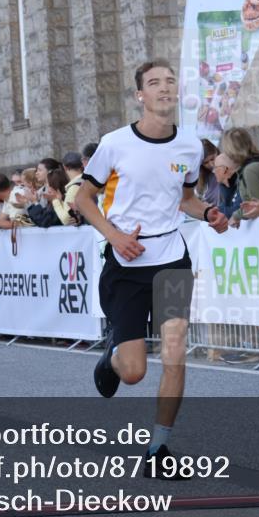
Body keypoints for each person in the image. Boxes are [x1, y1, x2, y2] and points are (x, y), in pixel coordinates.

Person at [75, 59, 228, 477]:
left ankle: (159, 449)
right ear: (140, 95)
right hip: (127, 265)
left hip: (172, 261)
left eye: (170, 82)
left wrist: (209, 213)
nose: (164, 88)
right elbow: (83, 199)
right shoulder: (115, 143)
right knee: (134, 372)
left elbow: (185, 199)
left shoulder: (190, 146)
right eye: (154, 83)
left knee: (175, 354)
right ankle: (112, 358)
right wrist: (114, 237)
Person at [222, 127, 259, 224]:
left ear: (231, 151)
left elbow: (257, 206)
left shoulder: (250, 170)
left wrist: (237, 216)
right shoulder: (252, 165)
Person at [212, 153, 241, 218]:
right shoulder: (225, 184)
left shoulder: (241, 182)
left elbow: (236, 212)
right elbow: (225, 206)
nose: (213, 171)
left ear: (225, 170)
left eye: (215, 168)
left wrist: (211, 209)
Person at [196, 139, 221, 206]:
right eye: (206, 162)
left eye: (212, 159)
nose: (211, 164)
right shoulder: (200, 174)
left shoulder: (229, 167)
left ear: (216, 152)